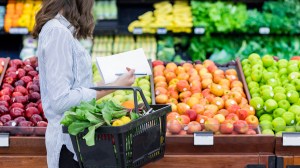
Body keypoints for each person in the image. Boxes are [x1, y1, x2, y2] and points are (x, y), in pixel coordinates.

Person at [32, 0, 135, 167]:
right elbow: (61, 100)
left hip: (76, 141)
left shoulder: (62, 30)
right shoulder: (57, 33)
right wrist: (113, 87)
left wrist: (114, 81)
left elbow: (76, 86)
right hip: (67, 145)